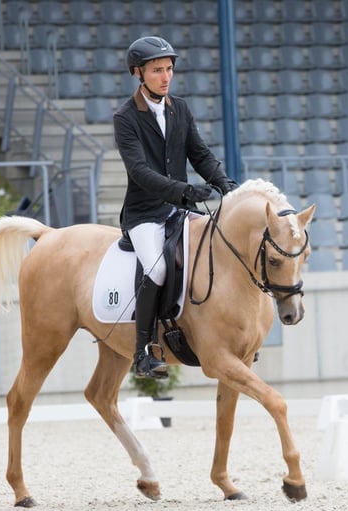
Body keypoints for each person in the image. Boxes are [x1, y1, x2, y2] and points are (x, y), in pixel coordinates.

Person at [113, 36, 238, 380]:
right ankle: (142, 353)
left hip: (178, 210)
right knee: (155, 269)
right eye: (157, 70)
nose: (165, 76)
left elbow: (199, 153)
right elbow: (140, 172)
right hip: (145, 213)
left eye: (169, 69)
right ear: (139, 73)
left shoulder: (179, 108)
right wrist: (184, 191)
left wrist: (225, 184)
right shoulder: (125, 117)